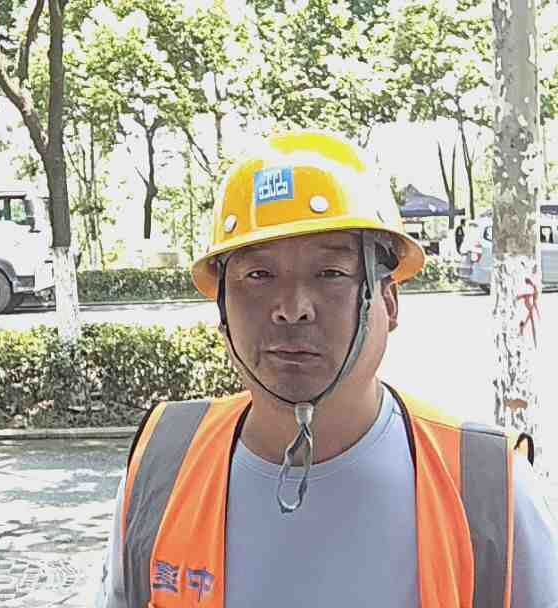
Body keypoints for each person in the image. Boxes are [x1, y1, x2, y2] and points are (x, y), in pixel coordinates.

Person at [96, 131, 558, 608]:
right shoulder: (162, 468)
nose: (291, 308)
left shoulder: (488, 490)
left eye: (330, 274)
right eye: (258, 275)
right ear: (221, 308)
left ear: (389, 303)